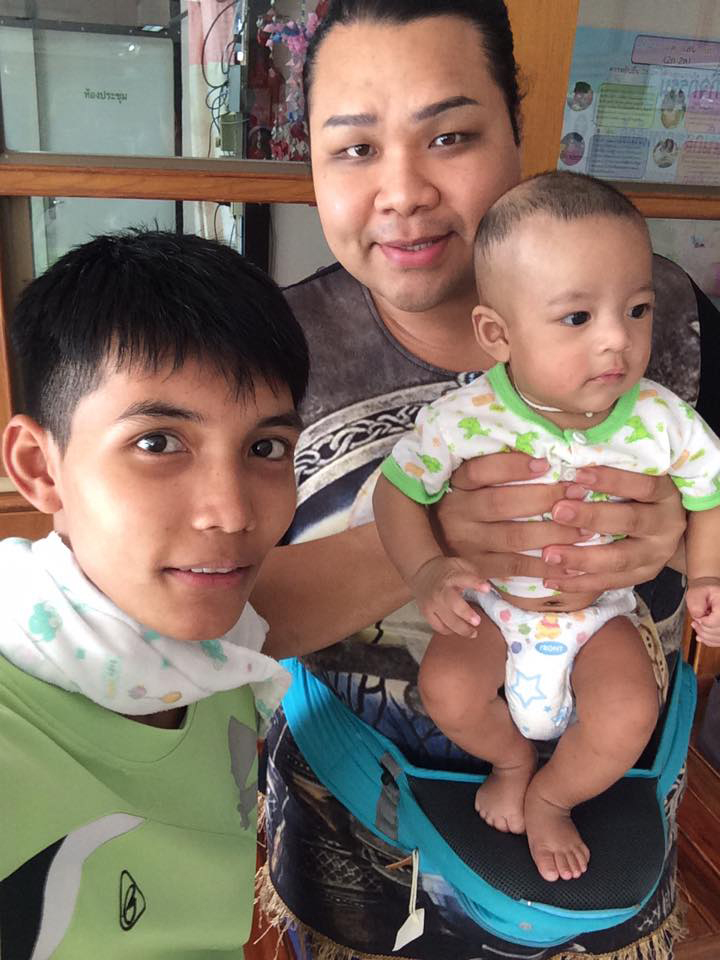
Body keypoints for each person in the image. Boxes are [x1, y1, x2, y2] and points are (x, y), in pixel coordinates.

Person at [252, 1, 720, 957]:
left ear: (518, 127)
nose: (402, 192)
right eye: (355, 150)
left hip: (608, 838)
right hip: (361, 844)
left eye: (450, 136)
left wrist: (682, 544)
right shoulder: (266, 354)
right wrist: (436, 548)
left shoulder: (663, 315)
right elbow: (220, 612)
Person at [373, 170, 720, 884]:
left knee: (629, 711)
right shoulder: (467, 417)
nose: (617, 341)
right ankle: (510, 761)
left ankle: (552, 796)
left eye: (637, 309)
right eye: (577, 318)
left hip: (601, 615)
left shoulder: (661, 419)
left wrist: (707, 571)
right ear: (497, 333)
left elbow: (709, 492)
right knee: (447, 688)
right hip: (497, 608)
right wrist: (426, 570)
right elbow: (397, 492)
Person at [0, 230, 308, 959]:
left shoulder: (221, 661)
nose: (232, 513)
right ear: (39, 467)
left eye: (265, 448)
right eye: (158, 442)